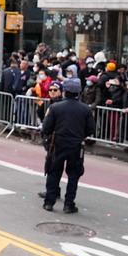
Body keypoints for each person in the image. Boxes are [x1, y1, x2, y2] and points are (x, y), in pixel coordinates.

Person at [40, 77, 94, 214]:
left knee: (54, 172)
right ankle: (69, 204)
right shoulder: (85, 109)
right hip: (76, 144)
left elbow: (46, 127)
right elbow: (90, 129)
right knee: (74, 175)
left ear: (65, 91)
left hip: (58, 143)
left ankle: (49, 202)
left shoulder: (55, 107)